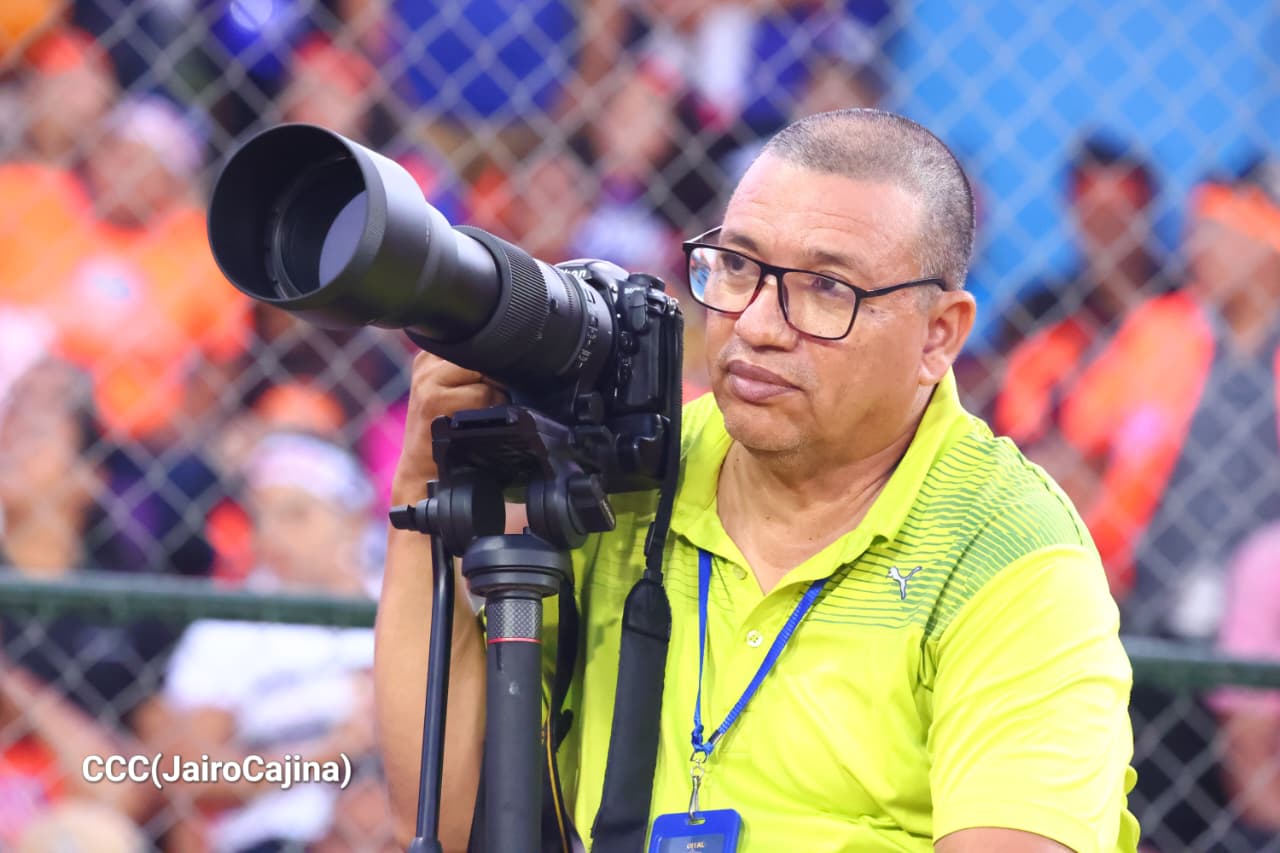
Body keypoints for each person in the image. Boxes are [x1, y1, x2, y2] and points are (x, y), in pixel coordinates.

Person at [375, 108, 1138, 851]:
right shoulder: (634, 474)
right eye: (738, 267)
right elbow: (448, 814)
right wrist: (423, 493)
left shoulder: (1007, 552)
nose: (759, 325)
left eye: (827, 288)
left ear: (939, 334)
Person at [138, 430, 380, 853]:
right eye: (260, 517)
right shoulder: (230, 626)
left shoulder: (402, 603)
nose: (271, 535)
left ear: (354, 521)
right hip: (272, 838)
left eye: (296, 515)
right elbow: (184, 771)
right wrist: (327, 755)